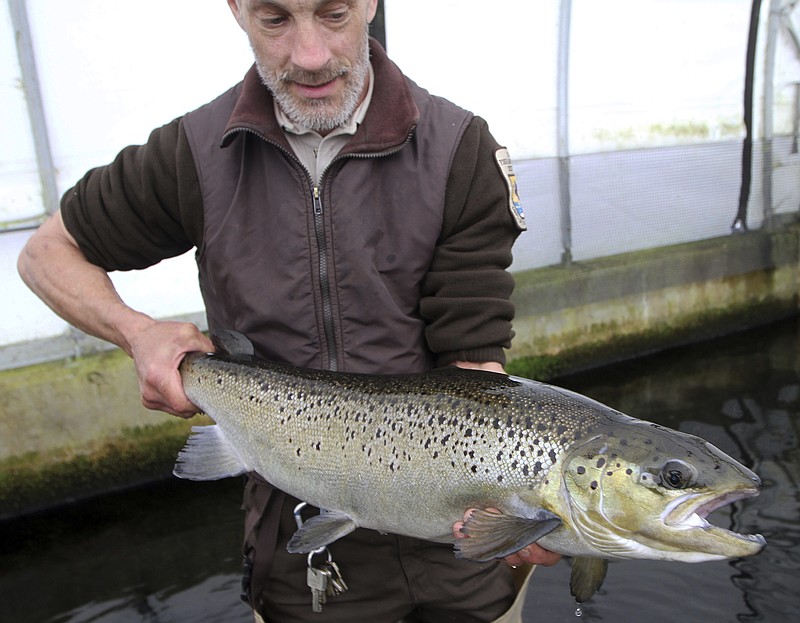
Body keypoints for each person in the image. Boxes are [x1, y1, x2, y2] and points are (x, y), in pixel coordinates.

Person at [17, 1, 561, 621]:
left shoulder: (461, 148)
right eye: (274, 19)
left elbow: (476, 376)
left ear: (371, 3)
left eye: (333, 13)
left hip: (465, 561)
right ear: (235, 9)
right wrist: (136, 332)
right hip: (302, 563)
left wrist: (522, 508)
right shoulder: (191, 151)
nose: (309, 55)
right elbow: (45, 254)